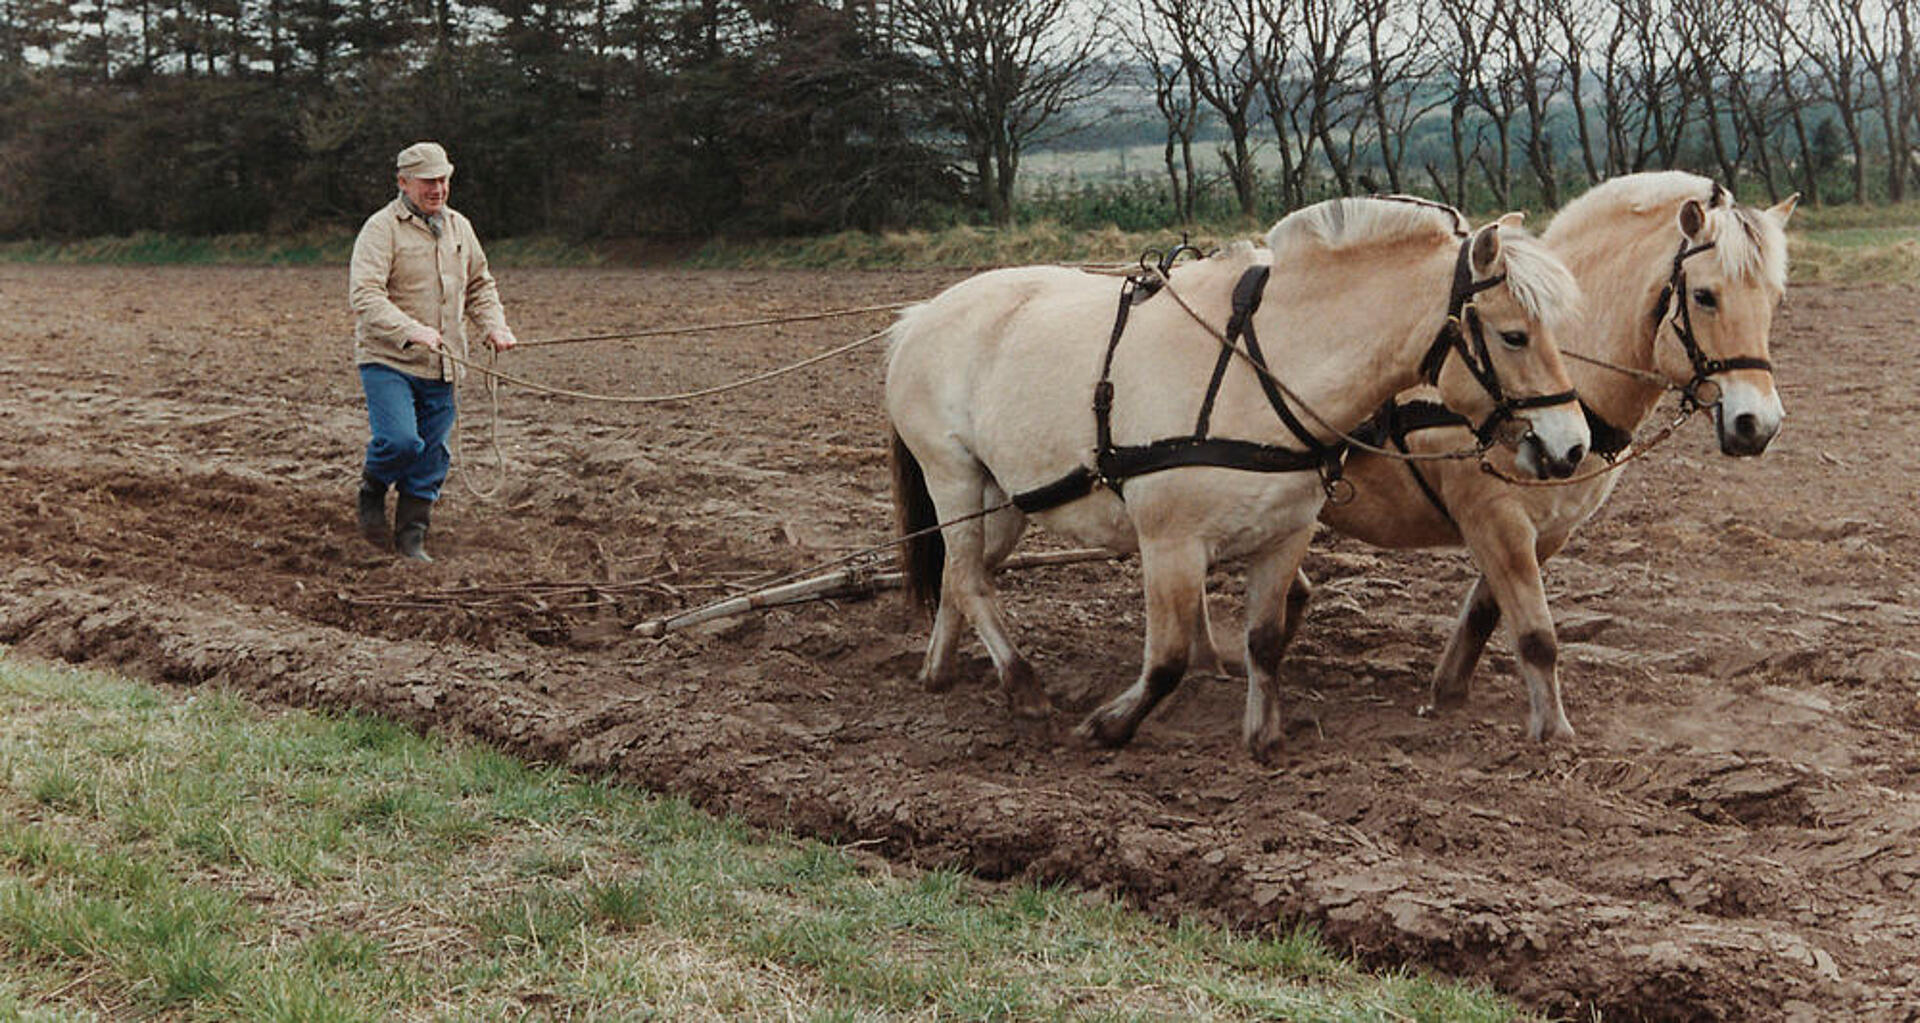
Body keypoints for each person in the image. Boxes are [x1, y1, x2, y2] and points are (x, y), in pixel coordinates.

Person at [349, 141, 516, 562]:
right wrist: (412, 330)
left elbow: (479, 286)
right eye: (427, 181)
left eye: (442, 180)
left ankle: (412, 536)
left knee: (433, 453)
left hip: (444, 365)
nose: (437, 189)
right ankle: (372, 488)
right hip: (388, 359)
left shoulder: (460, 227)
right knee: (402, 441)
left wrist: (494, 326)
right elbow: (365, 295)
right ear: (403, 182)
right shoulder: (381, 229)